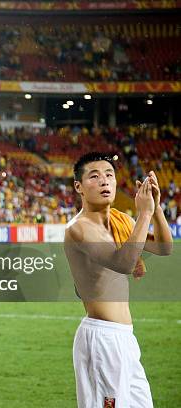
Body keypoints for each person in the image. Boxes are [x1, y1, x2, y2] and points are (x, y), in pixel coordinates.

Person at [64, 152, 172, 408]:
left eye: (109, 175)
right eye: (94, 176)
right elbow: (123, 263)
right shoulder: (79, 228)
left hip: (125, 337)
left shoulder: (121, 222)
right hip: (102, 338)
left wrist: (155, 210)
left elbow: (165, 247)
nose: (104, 181)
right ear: (78, 186)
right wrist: (144, 213)